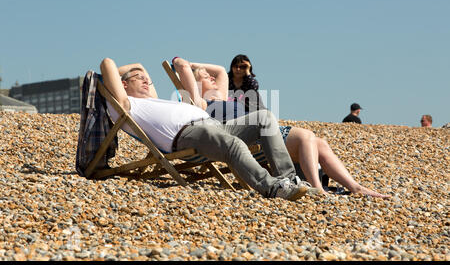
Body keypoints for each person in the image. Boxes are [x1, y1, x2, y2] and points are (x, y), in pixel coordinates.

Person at [172, 56, 390, 198]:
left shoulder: (222, 96)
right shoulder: (199, 103)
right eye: (206, 78)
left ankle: (355, 187)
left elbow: (220, 70)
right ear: (197, 85)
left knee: (319, 142)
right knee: (306, 137)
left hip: (265, 129)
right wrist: (184, 65)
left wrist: (197, 65)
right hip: (252, 137)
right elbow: (181, 66)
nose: (212, 78)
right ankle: (317, 189)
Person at [99, 57, 313, 201]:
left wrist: (138, 72)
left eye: (148, 80)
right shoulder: (125, 105)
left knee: (265, 118)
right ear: (123, 85)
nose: (146, 81)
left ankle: (288, 179)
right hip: (187, 136)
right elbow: (107, 63)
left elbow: (140, 66)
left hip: (214, 127)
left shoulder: (153, 99)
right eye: (139, 79)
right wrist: (110, 80)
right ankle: (272, 188)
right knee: (234, 145)